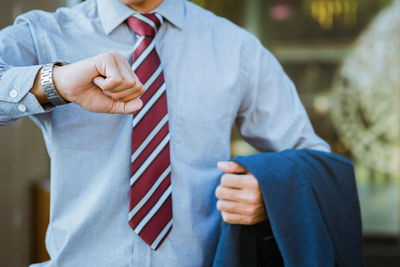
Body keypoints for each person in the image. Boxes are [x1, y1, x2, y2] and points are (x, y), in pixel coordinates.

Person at [0, 0, 329, 266]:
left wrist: (271, 195)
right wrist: (54, 82)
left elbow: (313, 158)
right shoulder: (44, 33)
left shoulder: (237, 47)